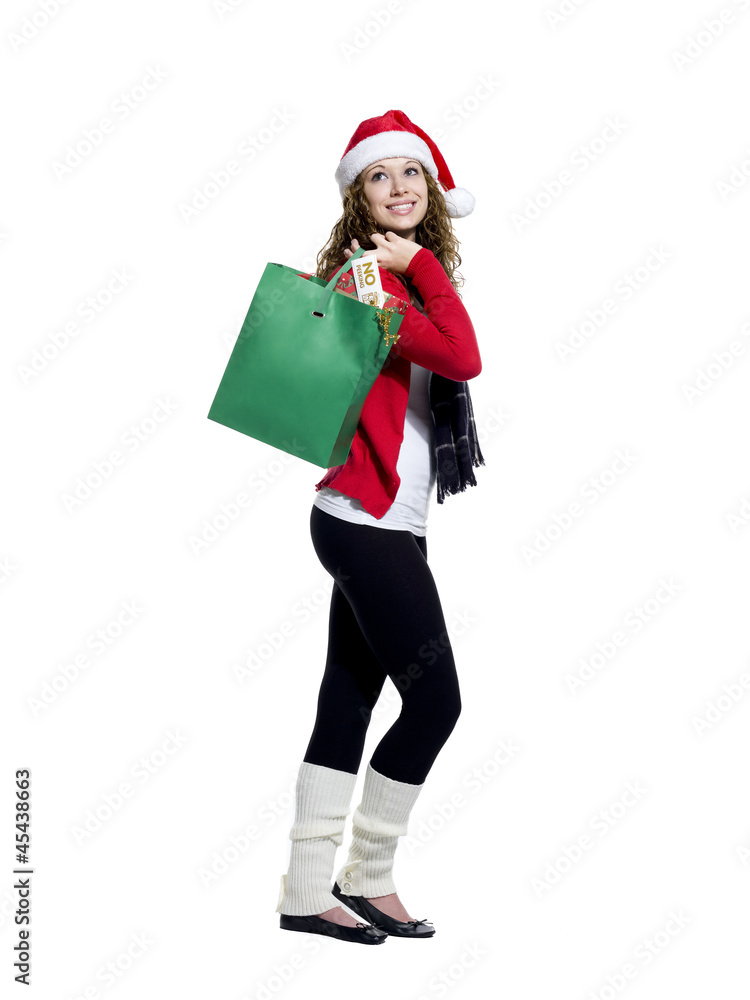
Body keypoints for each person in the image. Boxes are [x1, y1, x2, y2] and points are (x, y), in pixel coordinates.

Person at [275, 109, 484, 945]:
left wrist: (421, 269)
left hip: (381, 518)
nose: (398, 187)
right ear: (357, 196)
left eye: (411, 173)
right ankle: (366, 874)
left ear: (430, 187)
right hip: (366, 520)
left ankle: (306, 892)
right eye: (378, 175)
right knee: (436, 701)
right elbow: (461, 356)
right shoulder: (374, 279)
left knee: (349, 699)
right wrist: (420, 264)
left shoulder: (397, 278)